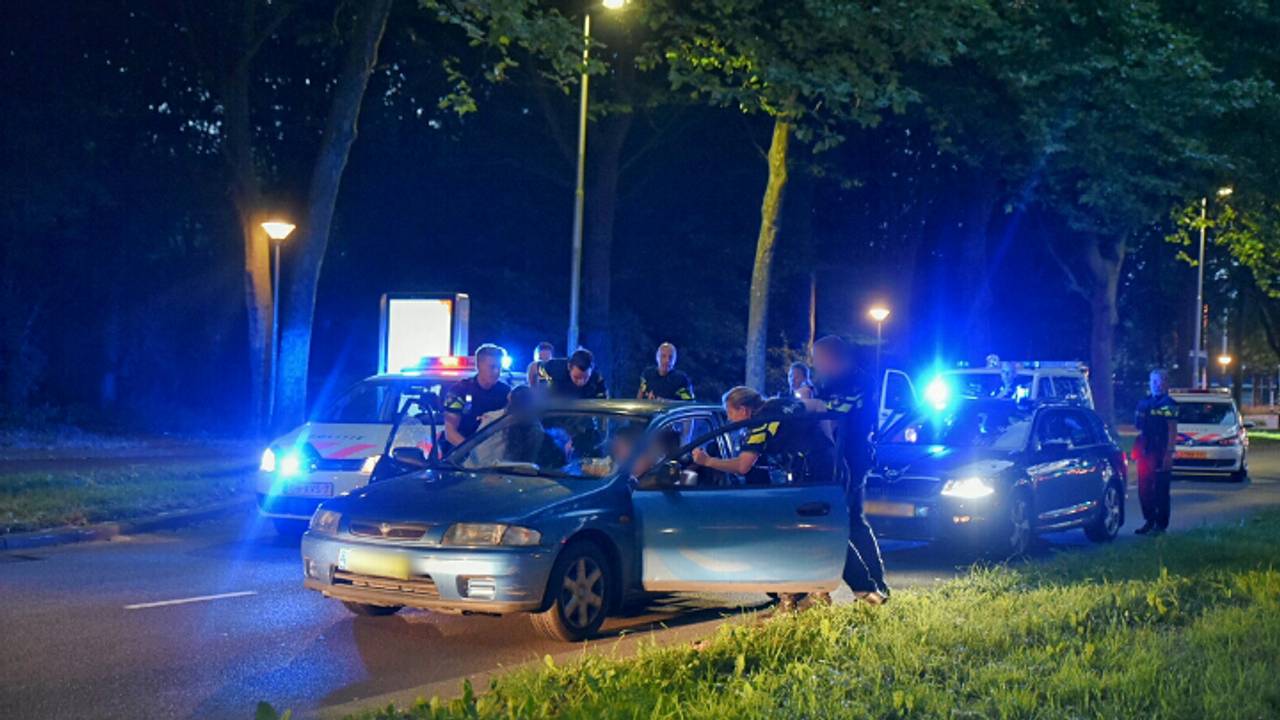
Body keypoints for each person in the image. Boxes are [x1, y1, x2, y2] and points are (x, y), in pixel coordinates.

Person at [692, 386, 840, 610]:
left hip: (814, 472)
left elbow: (742, 466)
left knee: (801, 532)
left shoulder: (758, 425)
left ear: (743, 410)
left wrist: (707, 462)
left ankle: (804, 596)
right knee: (816, 529)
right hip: (825, 466)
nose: (729, 419)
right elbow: (818, 405)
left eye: (729, 413)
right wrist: (828, 445)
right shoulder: (776, 404)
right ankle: (808, 593)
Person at [812, 334, 889, 605]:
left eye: (818, 359)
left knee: (842, 523)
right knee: (852, 522)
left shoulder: (860, 381)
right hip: (834, 459)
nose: (816, 365)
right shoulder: (829, 383)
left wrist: (816, 403)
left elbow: (840, 410)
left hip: (852, 459)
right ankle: (869, 587)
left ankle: (869, 587)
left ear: (832, 358)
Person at [441, 344, 512, 451]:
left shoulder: (506, 392)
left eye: (499, 367)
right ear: (478, 366)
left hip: (496, 451)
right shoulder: (459, 391)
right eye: (492, 367)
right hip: (460, 452)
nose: (496, 371)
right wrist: (474, 451)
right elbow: (450, 433)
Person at [1134, 368, 1178, 535]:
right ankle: (1149, 520)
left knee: (1160, 489)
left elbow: (1172, 429)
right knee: (1144, 488)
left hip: (1160, 449)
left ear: (1166, 383)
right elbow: (1138, 426)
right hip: (1145, 449)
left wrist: (1169, 452)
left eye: (1160, 382)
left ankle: (1161, 524)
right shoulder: (1143, 402)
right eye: (1153, 382)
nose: (1157, 385)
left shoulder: (1169, 404)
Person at [537, 348, 608, 399]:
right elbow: (536, 367)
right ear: (569, 367)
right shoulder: (555, 367)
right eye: (577, 377)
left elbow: (603, 398)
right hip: (555, 411)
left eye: (585, 378)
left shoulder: (596, 377)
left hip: (583, 415)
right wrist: (544, 386)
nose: (581, 382)